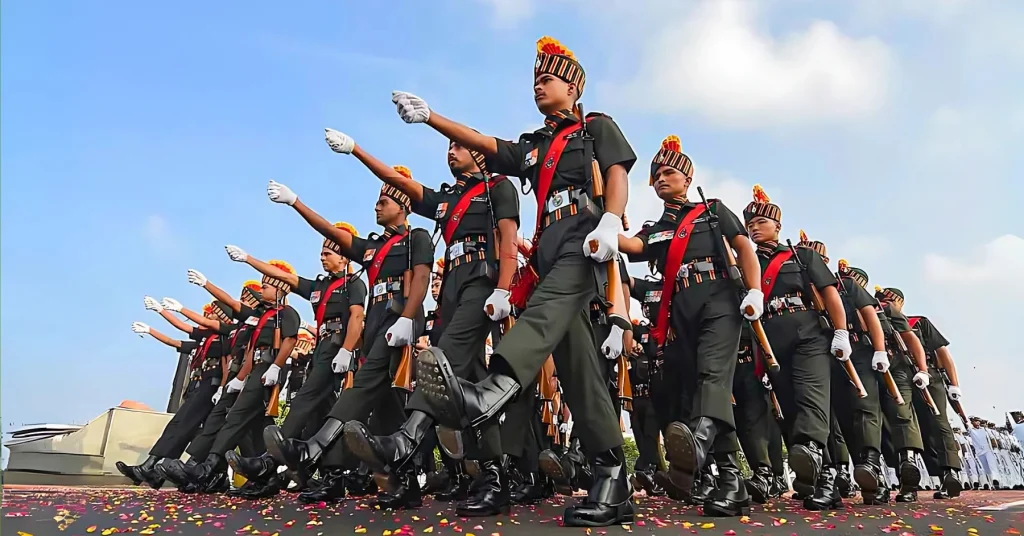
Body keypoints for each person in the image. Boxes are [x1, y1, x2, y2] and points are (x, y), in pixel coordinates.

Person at [389, 35, 638, 527]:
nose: (537, 87)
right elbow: (486, 144)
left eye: (546, 79)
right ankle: (612, 477)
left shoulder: (595, 127)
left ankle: (492, 389)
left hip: (585, 240)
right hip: (549, 251)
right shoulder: (535, 146)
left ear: (573, 87)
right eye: (534, 81)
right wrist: (432, 118)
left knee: (542, 318)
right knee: (579, 371)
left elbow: (616, 173)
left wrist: (611, 219)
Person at [323, 127, 521, 517]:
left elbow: (508, 238)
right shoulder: (448, 199)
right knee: (468, 387)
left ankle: (406, 440)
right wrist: (357, 150)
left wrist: (503, 288)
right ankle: (492, 477)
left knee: (439, 367)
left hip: (481, 282)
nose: (451, 151)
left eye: (459, 145)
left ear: (480, 152)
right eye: (449, 146)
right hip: (452, 292)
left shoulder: (498, 187)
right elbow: (399, 182)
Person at [262, 179, 431, 509]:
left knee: (361, 389)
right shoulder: (373, 248)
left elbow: (421, 278)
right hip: (378, 325)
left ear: (403, 207)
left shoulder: (417, 237)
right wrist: (295, 202)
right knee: (387, 409)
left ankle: (316, 449)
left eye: (384, 201)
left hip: (399, 319)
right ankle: (401, 483)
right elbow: (328, 229)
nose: (376, 206)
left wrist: (408, 319)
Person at [616, 135, 763, 517]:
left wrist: (754, 290)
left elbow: (743, 247)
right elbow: (632, 247)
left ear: (688, 177)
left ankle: (697, 442)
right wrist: (602, 223)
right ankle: (731, 480)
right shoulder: (657, 228)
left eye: (669, 172)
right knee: (702, 386)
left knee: (712, 374)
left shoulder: (712, 211)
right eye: (656, 175)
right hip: (680, 310)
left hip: (719, 300)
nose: (661, 179)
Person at [219, 225, 368, 497]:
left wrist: (347, 350)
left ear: (344, 257)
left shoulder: (354, 283)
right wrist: (248, 259)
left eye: (328, 253)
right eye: (321, 253)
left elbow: (357, 317)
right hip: (323, 348)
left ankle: (269, 462)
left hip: (338, 346)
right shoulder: (320, 286)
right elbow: (284, 276)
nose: (322, 257)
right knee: (322, 413)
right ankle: (327, 476)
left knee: (305, 401)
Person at [742, 185, 849, 511]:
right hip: (771, 344)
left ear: (777, 225)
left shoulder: (801, 256)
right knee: (790, 409)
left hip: (808, 336)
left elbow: (829, 293)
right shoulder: (745, 263)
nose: (755, 228)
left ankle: (822, 467)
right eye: (750, 224)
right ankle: (822, 478)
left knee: (811, 400)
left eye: (761, 221)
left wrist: (841, 331)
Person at [179, 260, 302, 493]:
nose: (262, 290)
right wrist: (240, 377)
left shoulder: (287, 313)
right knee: (256, 426)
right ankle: (266, 479)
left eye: (266, 286)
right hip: (255, 368)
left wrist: (276, 367)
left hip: (269, 368)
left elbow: (290, 341)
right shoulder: (260, 316)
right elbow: (249, 346)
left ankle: (209, 465)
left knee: (236, 416)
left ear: (280, 289)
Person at [161, 278, 268, 493]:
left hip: (255, 379)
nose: (241, 301)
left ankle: (262, 475)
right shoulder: (238, 327)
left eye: (248, 297)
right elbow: (229, 358)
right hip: (234, 381)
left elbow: (254, 352)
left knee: (250, 429)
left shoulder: (267, 318)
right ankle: (202, 468)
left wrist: (204, 285)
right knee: (224, 425)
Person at [116, 299, 233, 489]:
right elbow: (175, 338)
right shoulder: (205, 339)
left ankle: (158, 469)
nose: (206, 316)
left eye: (212, 313)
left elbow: (226, 363)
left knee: (189, 427)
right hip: (199, 386)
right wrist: (152, 327)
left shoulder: (224, 336)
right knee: (182, 426)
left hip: (211, 387)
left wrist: (222, 387)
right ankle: (156, 469)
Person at [903, 305, 964, 499]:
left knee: (939, 423)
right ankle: (910, 481)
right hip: (900, 376)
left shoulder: (918, 323)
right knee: (909, 427)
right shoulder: (882, 321)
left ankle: (950, 473)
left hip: (929, 375)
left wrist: (954, 384)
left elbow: (943, 353)